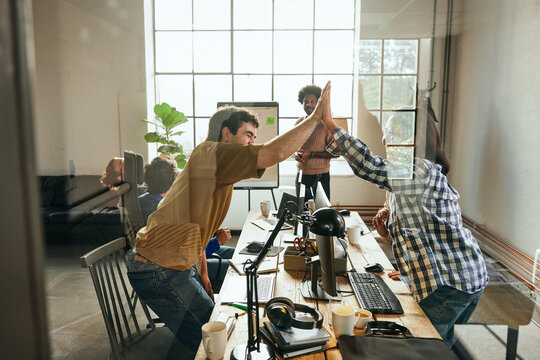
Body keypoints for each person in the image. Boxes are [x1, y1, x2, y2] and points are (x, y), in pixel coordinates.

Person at [126, 81, 331, 358]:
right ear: (226, 134)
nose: (252, 142)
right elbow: (275, 153)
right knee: (213, 341)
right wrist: (316, 117)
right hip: (158, 268)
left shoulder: (213, 163)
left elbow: (195, 225)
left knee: (216, 324)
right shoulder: (211, 154)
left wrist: (205, 274)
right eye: (248, 135)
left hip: (170, 263)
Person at [321, 89, 488, 347]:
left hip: (452, 284)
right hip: (462, 278)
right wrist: (398, 250)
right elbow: (424, 232)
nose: (385, 140)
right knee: (440, 347)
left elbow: (370, 166)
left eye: (392, 133)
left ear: (415, 138)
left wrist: (332, 125)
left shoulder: (420, 170)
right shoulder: (416, 175)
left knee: (421, 347)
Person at [138, 156, 234, 293]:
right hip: (182, 266)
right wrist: (216, 242)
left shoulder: (144, 200)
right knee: (235, 265)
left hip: (190, 253)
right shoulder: (162, 211)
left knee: (234, 253)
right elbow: (184, 254)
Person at [294, 84, 336, 201]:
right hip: (301, 175)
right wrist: (297, 155)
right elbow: (295, 147)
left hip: (320, 177)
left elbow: (335, 153)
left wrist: (312, 154)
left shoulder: (326, 124)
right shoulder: (298, 123)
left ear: (318, 103)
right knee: (301, 213)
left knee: (321, 214)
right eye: (305, 101)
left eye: (312, 101)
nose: (308, 104)